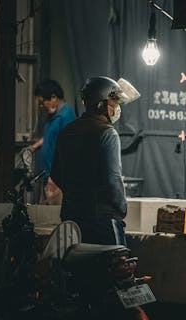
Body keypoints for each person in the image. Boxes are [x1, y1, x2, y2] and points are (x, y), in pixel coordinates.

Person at [51, 76, 139, 245]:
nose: (116, 108)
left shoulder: (67, 132)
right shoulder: (107, 133)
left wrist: (77, 195)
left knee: (79, 269)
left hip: (71, 219)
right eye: (113, 103)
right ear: (100, 104)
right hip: (102, 220)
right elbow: (112, 179)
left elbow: (56, 174)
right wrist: (120, 208)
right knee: (116, 268)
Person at [28, 80, 75, 204]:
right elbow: (51, 136)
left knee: (53, 217)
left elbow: (68, 149)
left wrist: (55, 177)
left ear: (54, 97)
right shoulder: (53, 116)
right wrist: (33, 147)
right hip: (49, 175)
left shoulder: (66, 117)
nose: (41, 106)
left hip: (57, 179)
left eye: (42, 102)